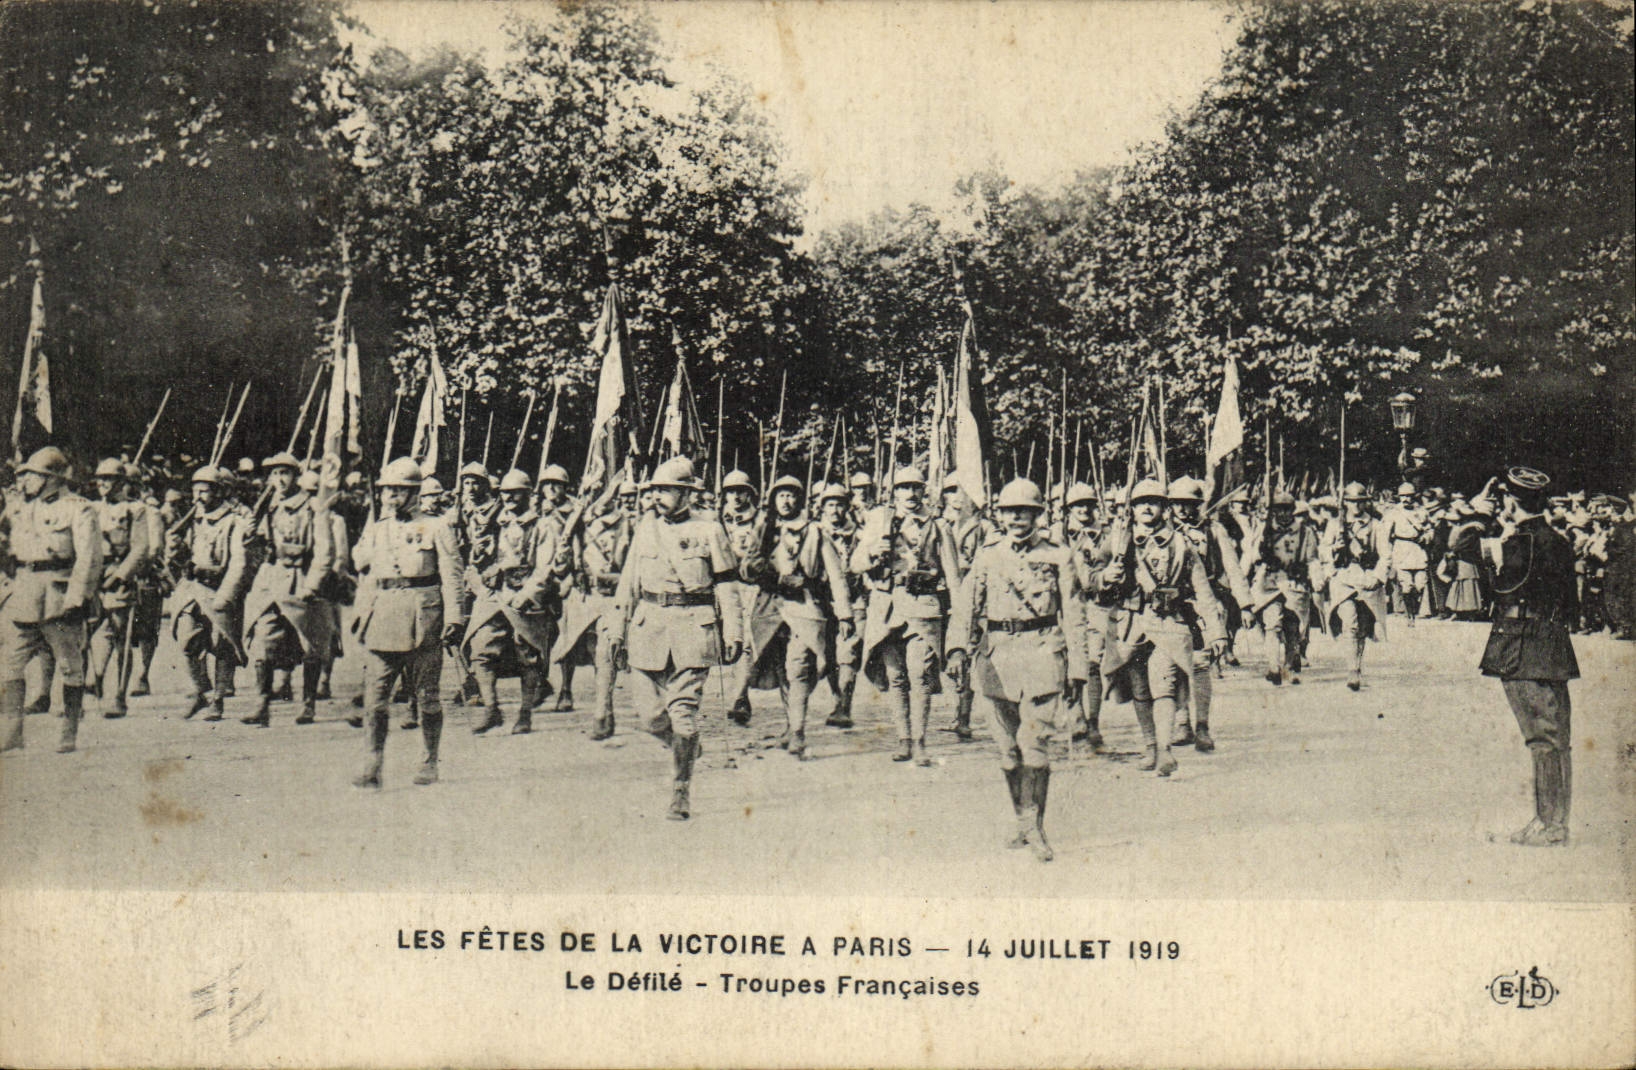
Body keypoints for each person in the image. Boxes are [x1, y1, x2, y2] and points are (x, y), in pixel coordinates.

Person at [946, 479, 1087, 862]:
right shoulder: (988, 556)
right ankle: (1021, 820)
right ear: (1001, 516)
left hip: (1042, 653)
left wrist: (1078, 667)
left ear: (1038, 515)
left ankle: (1036, 826)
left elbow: (1073, 614)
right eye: (1010, 511)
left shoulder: (1059, 555)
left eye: (1025, 511)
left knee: (1034, 746)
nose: (1017, 518)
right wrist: (957, 648)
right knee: (1008, 753)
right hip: (997, 657)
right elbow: (965, 605)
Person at [607, 456, 744, 821]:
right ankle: (686, 747)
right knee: (650, 715)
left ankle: (680, 790)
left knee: (682, 715)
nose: (658, 496)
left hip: (692, 630)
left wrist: (733, 630)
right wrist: (616, 630)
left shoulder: (710, 530)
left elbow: (728, 584)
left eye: (666, 490)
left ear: (687, 493)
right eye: (655, 490)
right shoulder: (645, 529)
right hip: (647, 629)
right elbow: (629, 584)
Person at [1475, 467, 1579, 846]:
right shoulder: (1560, 541)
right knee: (1557, 737)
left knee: (1541, 738)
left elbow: (1461, 546)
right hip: (1552, 642)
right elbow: (1572, 602)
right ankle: (1555, 823)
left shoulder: (1518, 543)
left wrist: (1481, 511)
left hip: (1521, 644)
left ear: (1509, 501)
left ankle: (1548, 825)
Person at [350, 458, 465, 788]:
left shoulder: (437, 526)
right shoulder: (378, 527)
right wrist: (370, 533)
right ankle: (373, 760)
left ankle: (429, 760)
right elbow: (359, 563)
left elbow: (452, 577)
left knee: (428, 696)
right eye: (388, 491)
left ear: (414, 493)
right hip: (383, 615)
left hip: (423, 617)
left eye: (399, 491)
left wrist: (455, 617)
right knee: (376, 697)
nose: (392, 497)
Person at [1101, 479, 1226, 775]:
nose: (1146, 507)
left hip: (1169, 622)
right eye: (1141, 502)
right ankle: (1150, 745)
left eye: (1154, 502)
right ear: (1131, 508)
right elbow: (1092, 577)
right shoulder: (1119, 540)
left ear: (1164, 507)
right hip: (1131, 623)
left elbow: (1202, 588)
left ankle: (1165, 749)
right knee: (1140, 689)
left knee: (1164, 684)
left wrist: (1217, 630)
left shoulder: (1181, 544)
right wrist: (1108, 574)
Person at [851, 467, 962, 765]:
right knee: (895, 676)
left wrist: (960, 620)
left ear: (924, 490)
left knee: (921, 674)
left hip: (924, 605)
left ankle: (921, 741)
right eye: (903, 488)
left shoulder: (939, 526)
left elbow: (953, 577)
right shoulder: (879, 520)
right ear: (894, 492)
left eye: (915, 487)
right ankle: (903, 738)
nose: (910, 494)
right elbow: (855, 562)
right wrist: (875, 551)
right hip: (886, 607)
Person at [0, 447, 103, 754]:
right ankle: (12, 732)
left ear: (51, 479)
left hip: (59, 595)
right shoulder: (20, 508)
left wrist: (77, 597)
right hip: (24, 593)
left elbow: (89, 557)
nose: (26, 480)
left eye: (33, 475)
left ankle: (68, 732)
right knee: (10, 665)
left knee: (70, 666)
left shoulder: (78, 508)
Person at [752, 475, 853, 759]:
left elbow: (835, 574)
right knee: (779, 669)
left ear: (800, 500)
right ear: (772, 500)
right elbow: (746, 568)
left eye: (791, 495)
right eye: (780, 495)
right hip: (770, 608)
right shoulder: (765, 529)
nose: (786, 501)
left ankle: (797, 731)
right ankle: (789, 725)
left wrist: (844, 613)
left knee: (798, 667)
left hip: (804, 607)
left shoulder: (816, 532)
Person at [240, 453, 336, 727]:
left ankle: (307, 705)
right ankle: (261, 703)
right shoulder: (269, 507)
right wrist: (250, 533)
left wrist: (313, 583)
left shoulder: (314, 507)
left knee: (310, 645)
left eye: (285, 473)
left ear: (296, 476)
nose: (279, 480)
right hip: (274, 578)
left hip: (302, 578)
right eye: (274, 474)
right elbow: (260, 544)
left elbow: (324, 551)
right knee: (263, 638)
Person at [463, 468, 560, 736]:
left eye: (516, 493)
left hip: (526, 597)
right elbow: (481, 559)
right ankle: (492, 707)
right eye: (505, 493)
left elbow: (545, 568)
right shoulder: (495, 522)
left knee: (527, 656)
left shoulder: (542, 526)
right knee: (480, 648)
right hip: (496, 594)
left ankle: (525, 712)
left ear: (528, 494)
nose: (509, 498)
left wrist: (526, 595)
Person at [552, 480, 636, 740]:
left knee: (604, 651)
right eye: (589, 491)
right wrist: (567, 541)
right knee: (572, 649)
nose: (595, 497)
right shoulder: (576, 524)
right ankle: (566, 691)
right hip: (582, 597)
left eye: (601, 491)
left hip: (612, 597)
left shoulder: (626, 524)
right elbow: (559, 567)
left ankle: (603, 709)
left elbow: (635, 564)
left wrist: (617, 579)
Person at [1168, 476, 1248, 749]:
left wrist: (1246, 603)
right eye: (1177, 503)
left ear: (1198, 505)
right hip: (1173, 603)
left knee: (1200, 663)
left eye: (1188, 504)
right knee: (1176, 663)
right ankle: (1181, 721)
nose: (1182, 509)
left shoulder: (1213, 530)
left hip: (1206, 600)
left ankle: (1202, 725)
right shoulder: (1165, 531)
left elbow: (1232, 565)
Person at [171, 464, 252, 721]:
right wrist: (174, 548)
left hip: (219, 589)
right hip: (193, 589)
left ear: (219, 492)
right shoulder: (195, 519)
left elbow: (239, 562)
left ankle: (217, 698)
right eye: (195, 491)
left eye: (205, 492)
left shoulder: (234, 521)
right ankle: (199, 691)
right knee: (186, 639)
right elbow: (184, 554)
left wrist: (226, 596)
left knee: (222, 646)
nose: (199, 497)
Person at [87, 457, 152, 719]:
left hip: (119, 577)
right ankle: (92, 685)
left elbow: (140, 548)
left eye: (110, 479)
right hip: (93, 576)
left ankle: (119, 696)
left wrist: (121, 575)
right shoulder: (90, 508)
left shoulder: (135, 510)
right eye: (101, 478)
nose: (104, 484)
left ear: (122, 482)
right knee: (93, 633)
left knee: (122, 638)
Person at [1323, 481, 1393, 691]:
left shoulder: (1376, 525)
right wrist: (1333, 556)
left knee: (1362, 626)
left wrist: (1378, 577)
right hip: (1344, 578)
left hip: (1367, 579)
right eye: (1351, 502)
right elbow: (1323, 550)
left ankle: (1357, 664)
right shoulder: (1335, 524)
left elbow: (1386, 555)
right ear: (1344, 503)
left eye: (1360, 502)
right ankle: (1352, 669)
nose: (1356, 506)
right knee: (1350, 623)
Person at [1249, 490, 1321, 686]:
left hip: (1294, 583)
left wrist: (1318, 580)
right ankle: (1274, 666)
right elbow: (1253, 555)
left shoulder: (1305, 532)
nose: (1282, 514)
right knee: (1272, 625)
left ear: (1292, 511)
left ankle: (1289, 666)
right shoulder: (1265, 530)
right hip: (1270, 583)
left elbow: (1313, 559)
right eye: (1278, 510)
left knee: (1293, 629)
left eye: (1286, 510)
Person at [1059, 482, 1110, 751]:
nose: (1083, 509)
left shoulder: (1106, 535)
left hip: (1096, 605)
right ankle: (1075, 713)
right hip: (1066, 607)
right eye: (1077, 505)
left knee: (1092, 663)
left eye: (1088, 504)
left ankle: (1093, 721)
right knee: (1068, 663)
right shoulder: (1059, 534)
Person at [715, 469, 766, 725]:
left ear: (750, 494)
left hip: (747, 587)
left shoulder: (760, 521)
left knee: (744, 640)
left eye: (740, 491)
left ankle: (740, 696)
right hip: (718, 587)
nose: (735, 496)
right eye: (730, 491)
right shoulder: (716, 520)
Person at [816, 481, 865, 728]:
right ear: (822, 508)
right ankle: (837, 697)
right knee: (828, 655)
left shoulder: (859, 534)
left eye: (840, 505)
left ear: (847, 507)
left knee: (848, 653)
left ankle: (844, 705)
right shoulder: (814, 533)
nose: (835, 511)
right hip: (823, 601)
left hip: (855, 600)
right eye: (830, 505)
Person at [1385, 482, 1430, 626]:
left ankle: (1414, 610)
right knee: (1406, 586)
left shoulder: (1422, 511)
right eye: (1403, 496)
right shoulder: (1394, 513)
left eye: (1409, 496)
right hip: (1402, 549)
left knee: (1420, 585)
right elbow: (1385, 534)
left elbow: (1430, 529)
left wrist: (1426, 537)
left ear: (1414, 496)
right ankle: (1410, 616)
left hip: (1417, 549)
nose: (1406, 499)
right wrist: (1388, 554)